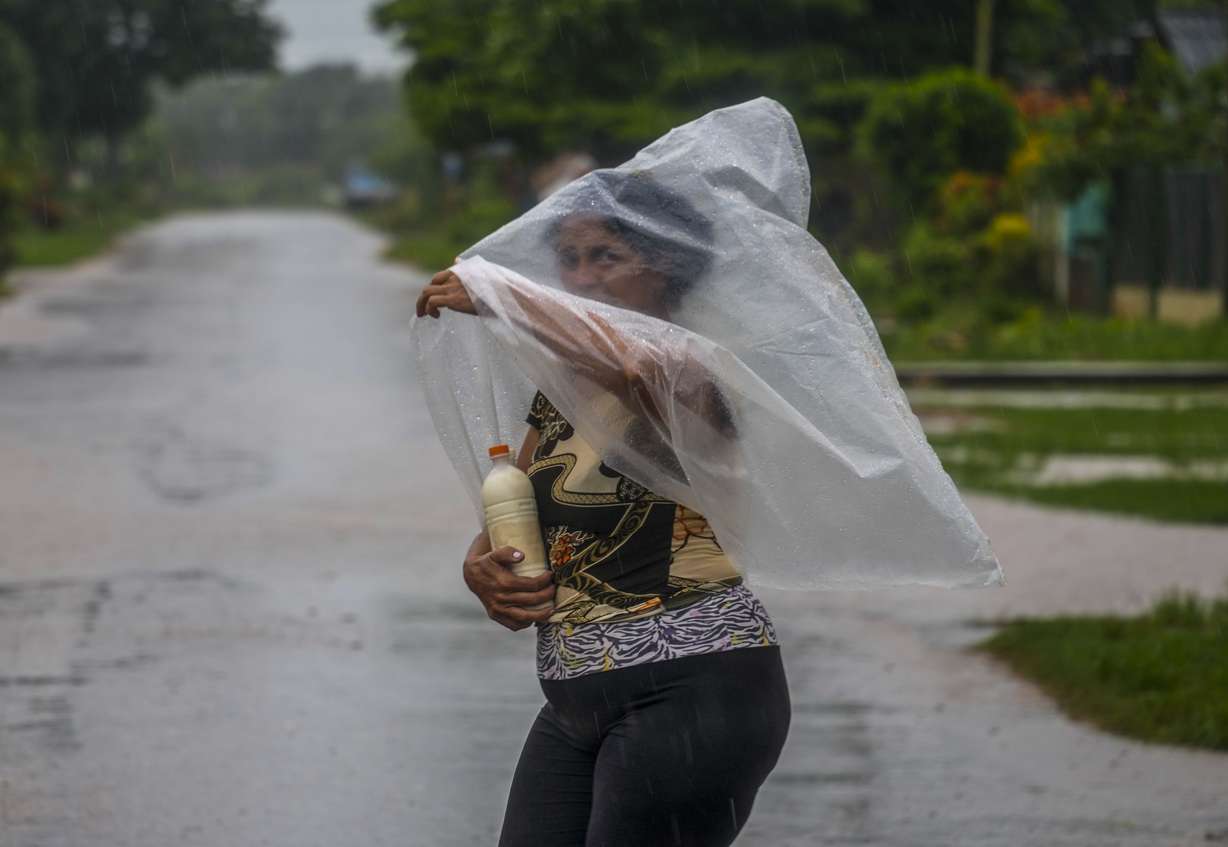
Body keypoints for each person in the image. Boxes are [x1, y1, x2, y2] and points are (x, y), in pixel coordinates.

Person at [415, 171, 791, 846]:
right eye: (568, 259)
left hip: (695, 690)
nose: (580, 277)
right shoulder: (563, 385)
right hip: (573, 700)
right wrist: (483, 573)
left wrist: (509, 303)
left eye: (605, 257)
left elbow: (643, 375)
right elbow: (510, 517)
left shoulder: (696, 368)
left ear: (666, 264)